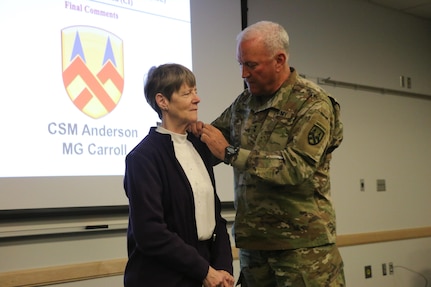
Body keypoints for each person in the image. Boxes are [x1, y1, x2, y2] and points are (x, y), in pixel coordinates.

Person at [191, 21, 345, 286]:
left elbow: (296, 167)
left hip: (302, 250)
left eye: (251, 65)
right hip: (255, 247)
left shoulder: (312, 103)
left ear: (279, 60)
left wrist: (230, 152)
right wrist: (186, 129)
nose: (243, 74)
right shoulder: (244, 104)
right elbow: (211, 144)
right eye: (240, 64)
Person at [123, 63, 235, 287]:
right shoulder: (143, 157)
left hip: (205, 275)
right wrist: (205, 271)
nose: (197, 99)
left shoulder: (199, 147)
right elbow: (150, 233)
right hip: (163, 278)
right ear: (162, 101)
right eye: (187, 93)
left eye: (195, 91)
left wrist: (222, 269)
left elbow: (215, 217)